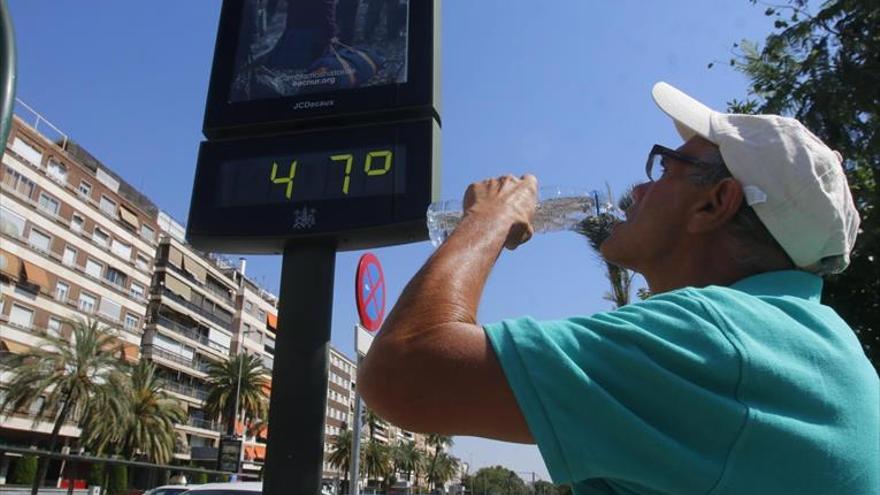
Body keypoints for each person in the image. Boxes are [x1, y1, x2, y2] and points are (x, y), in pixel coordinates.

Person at [358, 82, 879, 494]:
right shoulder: (817, 347)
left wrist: (487, 220)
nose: (637, 188)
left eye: (666, 166)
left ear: (714, 205)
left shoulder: (711, 342)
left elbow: (405, 370)